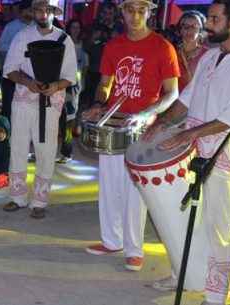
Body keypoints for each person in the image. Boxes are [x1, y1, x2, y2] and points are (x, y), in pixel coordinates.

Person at [139, 0, 230, 301]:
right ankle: (187, 275)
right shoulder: (211, 57)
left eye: (215, 18)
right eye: (209, 17)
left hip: (225, 158)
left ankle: (215, 295)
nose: (208, 23)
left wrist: (187, 134)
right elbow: (187, 99)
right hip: (195, 151)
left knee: (218, 227)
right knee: (190, 219)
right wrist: (162, 123)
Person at [81, 0, 179, 272]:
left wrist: (149, 112)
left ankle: (134, 249)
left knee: (134, 189)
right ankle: (111, 241)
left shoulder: (163, 47)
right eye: (130, 10)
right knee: (109, 183)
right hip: (114, 122)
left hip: (142, 127)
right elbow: (105, 84)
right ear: (122, 12)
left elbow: (172, 93)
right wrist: (99, 105)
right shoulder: (114, 46)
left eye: (141, 10)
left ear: (150, 12)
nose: (135, 16)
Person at [1, 0, 77, 220]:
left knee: (46, 149)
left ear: (53, 12)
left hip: (51, 102)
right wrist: (27, 82)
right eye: (38, 10)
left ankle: (40, 200)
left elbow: (70, 75)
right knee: (18, 145)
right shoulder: (22, 36)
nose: (42, 14)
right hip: (23, 100)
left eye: (47, 10)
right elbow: (9, 69)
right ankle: (17, 196)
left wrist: (55, 86)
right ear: (33, 12)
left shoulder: (64, 39)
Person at [57, 18, 89, 164]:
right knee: (54, 120)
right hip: (59, 84)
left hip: (74, 88)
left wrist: (81, 86)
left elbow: (85, 69)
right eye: (73, 27)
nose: (75, 30)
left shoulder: (83, 46)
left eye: (78, 27)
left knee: (68, 121)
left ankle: (67, 152)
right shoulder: (62, 42)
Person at [0, 0, 32, 117]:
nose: (31, 13)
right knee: (9, 104)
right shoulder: (11, 27)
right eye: (28, 10)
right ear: (21, 12)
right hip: (13, 73)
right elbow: (1, 47)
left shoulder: (36, 28)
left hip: (30, 74)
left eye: (32, 10)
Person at [175, 10, 207, 90]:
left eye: (194, 26)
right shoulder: (172, 52)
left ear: (200, 30)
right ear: (180, 30)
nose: (189, 30)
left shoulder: (208, 55)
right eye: (185, 26)